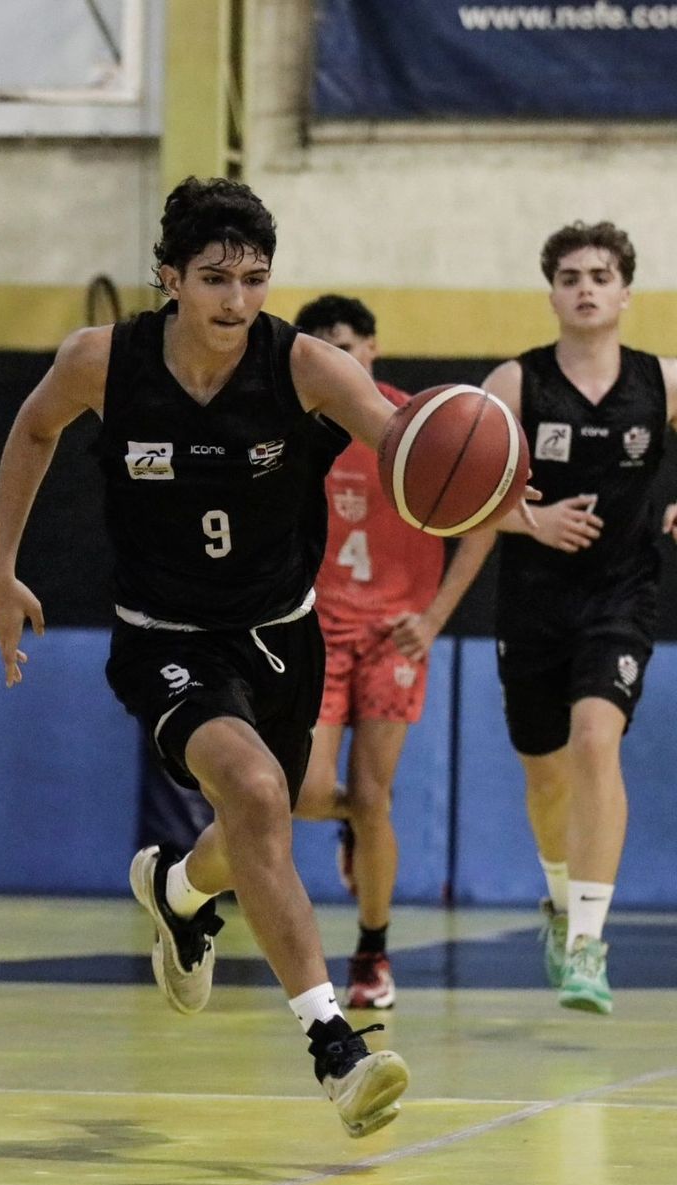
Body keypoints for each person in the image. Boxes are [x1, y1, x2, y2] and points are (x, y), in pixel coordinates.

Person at [0, 177, 414, 1138]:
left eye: (255, 279)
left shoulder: (306, 366)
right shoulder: (105, 360)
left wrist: (482, 479)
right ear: (169, 277)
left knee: (254, 826)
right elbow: (33, 428)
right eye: (215, 277)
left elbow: (405, 448)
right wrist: (0, 563)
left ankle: (179, 894)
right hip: (165, 640)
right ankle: (335, 1047)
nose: (236, 300)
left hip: (283, 634)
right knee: (259, 796)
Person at [479, 221, 677, 1015]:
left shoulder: (659, 380)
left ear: (626, 291)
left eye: (601, 274)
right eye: (570, 275)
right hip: (532, 601)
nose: (586, 286)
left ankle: (590, 942)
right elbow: (455, 500)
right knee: (545, 772)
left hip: (621, 593)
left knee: (597, 742)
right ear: (552, 292)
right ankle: (561, 903)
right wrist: (533, 521)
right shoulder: (514, 384)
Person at [290, 295, 489, 1010]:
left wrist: (434, 618)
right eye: (319, 346)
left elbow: (484, 520)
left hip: (394, 634)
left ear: (371, 349)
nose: (334, 357)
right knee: (306, 792)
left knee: (376, 795)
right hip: (315, 628)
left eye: (345, 344)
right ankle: (348, 824)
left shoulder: (417, 427)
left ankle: (372, 950)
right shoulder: (292, 429)